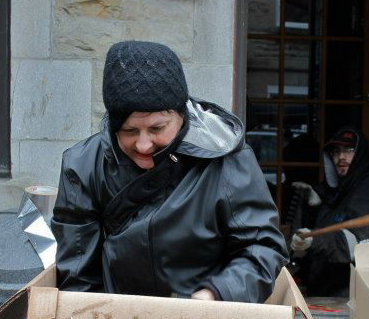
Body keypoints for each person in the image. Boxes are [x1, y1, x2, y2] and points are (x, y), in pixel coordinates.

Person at [52, 41, 288, 303]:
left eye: (157, 129)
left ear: (181, 115)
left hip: (209, 317)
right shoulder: (82, 166)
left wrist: (216, 294)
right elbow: (78, 274)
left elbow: (263, 248)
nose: (143, 144)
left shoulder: (228, 160)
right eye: (129, 131)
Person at [289, 126, 369, 296]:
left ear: (359, 154)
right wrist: (313, 210)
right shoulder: (334, 190)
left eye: (349, 150)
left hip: (351, 295)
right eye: (336, 151)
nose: (341, 157)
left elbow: (354, 244)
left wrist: (313, 242)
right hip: (325, 291)